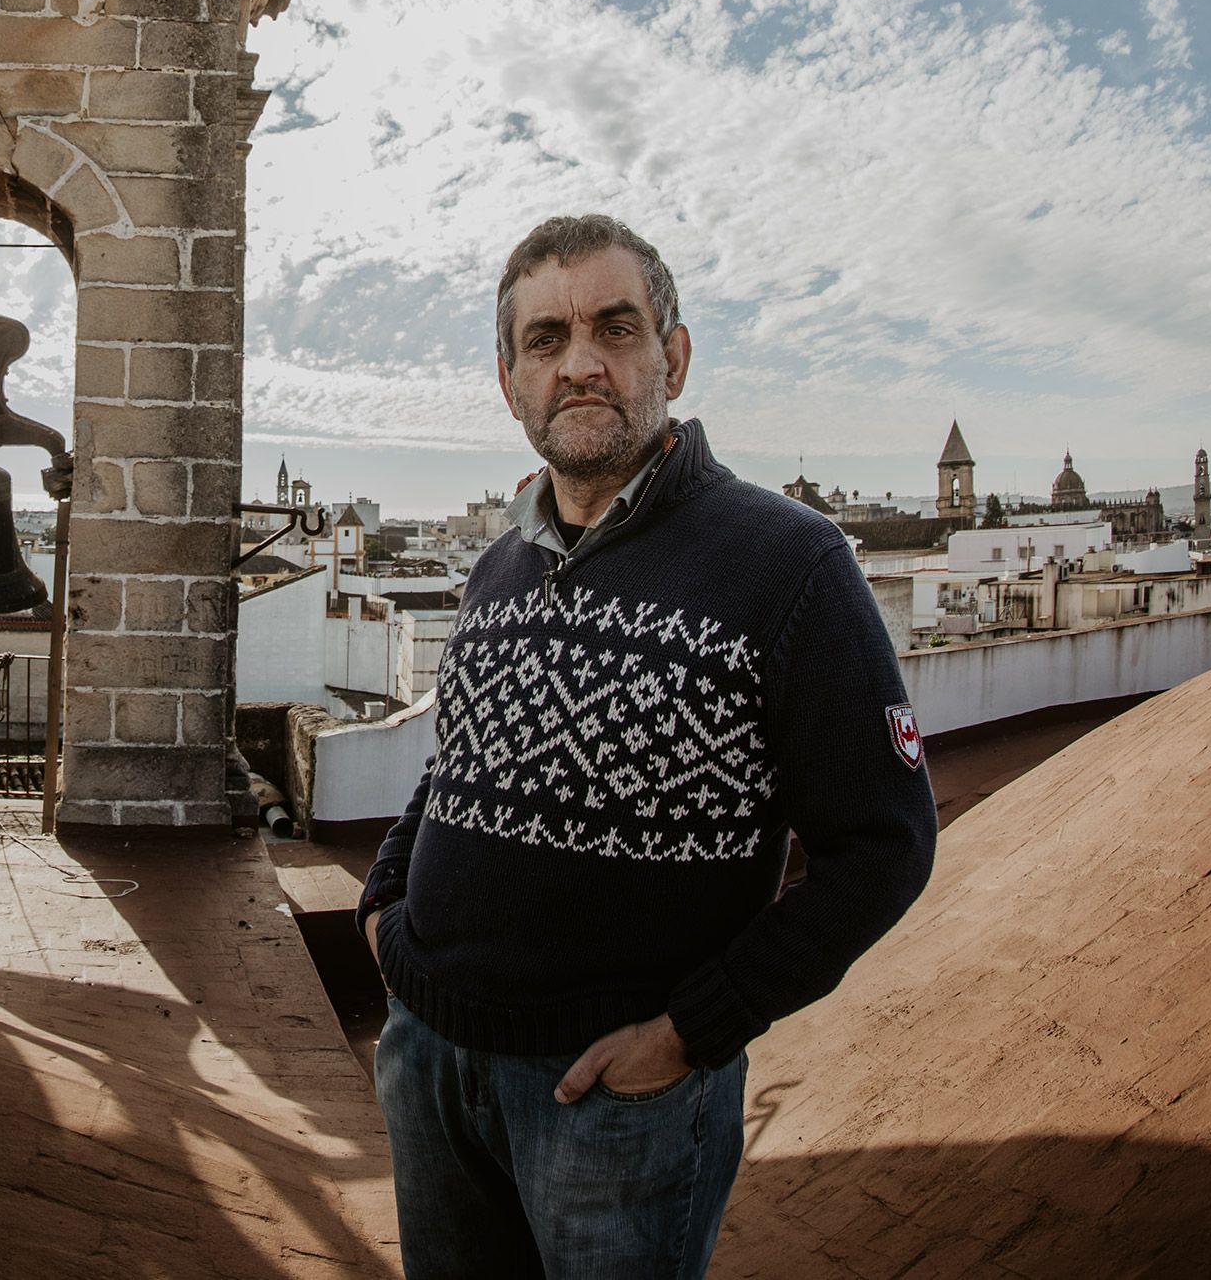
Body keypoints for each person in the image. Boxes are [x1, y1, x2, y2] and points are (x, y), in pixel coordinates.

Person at [360, 214, 937, 1278]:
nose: (580, 363)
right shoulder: (495, 569)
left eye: (613, 329)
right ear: (509, 379)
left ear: (670, 355)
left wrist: (691, 1031)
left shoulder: (788, 563)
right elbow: (453, 762)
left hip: (615, 1106)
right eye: (545, 340)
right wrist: (384, 909)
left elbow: (887, 843)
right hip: (430, 1065)